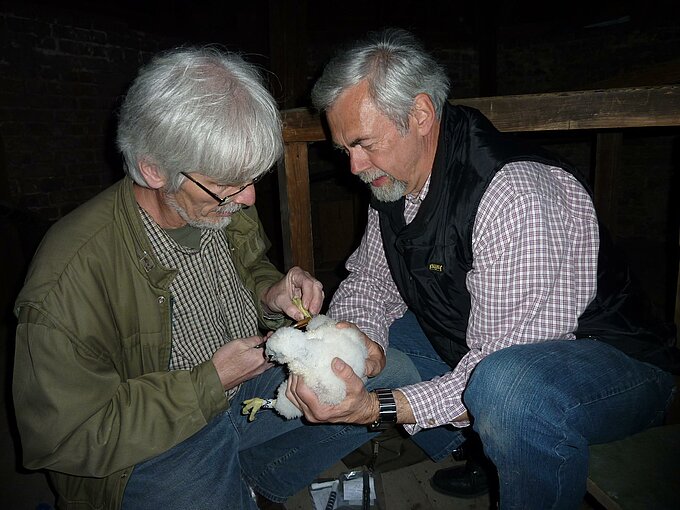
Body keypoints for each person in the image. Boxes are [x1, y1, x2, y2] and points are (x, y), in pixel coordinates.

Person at [284, 28, 679, 508]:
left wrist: (379, 407)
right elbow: (371, 280)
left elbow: (505, 359)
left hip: (611, 363)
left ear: (421, 114)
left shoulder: (513, 194)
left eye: (364, 143)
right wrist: (359, 342)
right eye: (345, 150)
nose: (354, 166)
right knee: (332, 341)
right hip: (488, 342)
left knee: (508, 395)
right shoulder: (391, 180)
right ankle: (485, 449)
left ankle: (510, 444)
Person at [12, 45, 419, 510]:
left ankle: (258, 481)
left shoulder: (218, 202)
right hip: (155, 440)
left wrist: (271, 294)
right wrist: (209, 382)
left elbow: (250, 269)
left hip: (248, 384)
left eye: (251, 179)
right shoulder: (68, 279)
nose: (247, 200)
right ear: (153, 169)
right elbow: (63, 439)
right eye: (229, 184)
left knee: (392, 375)